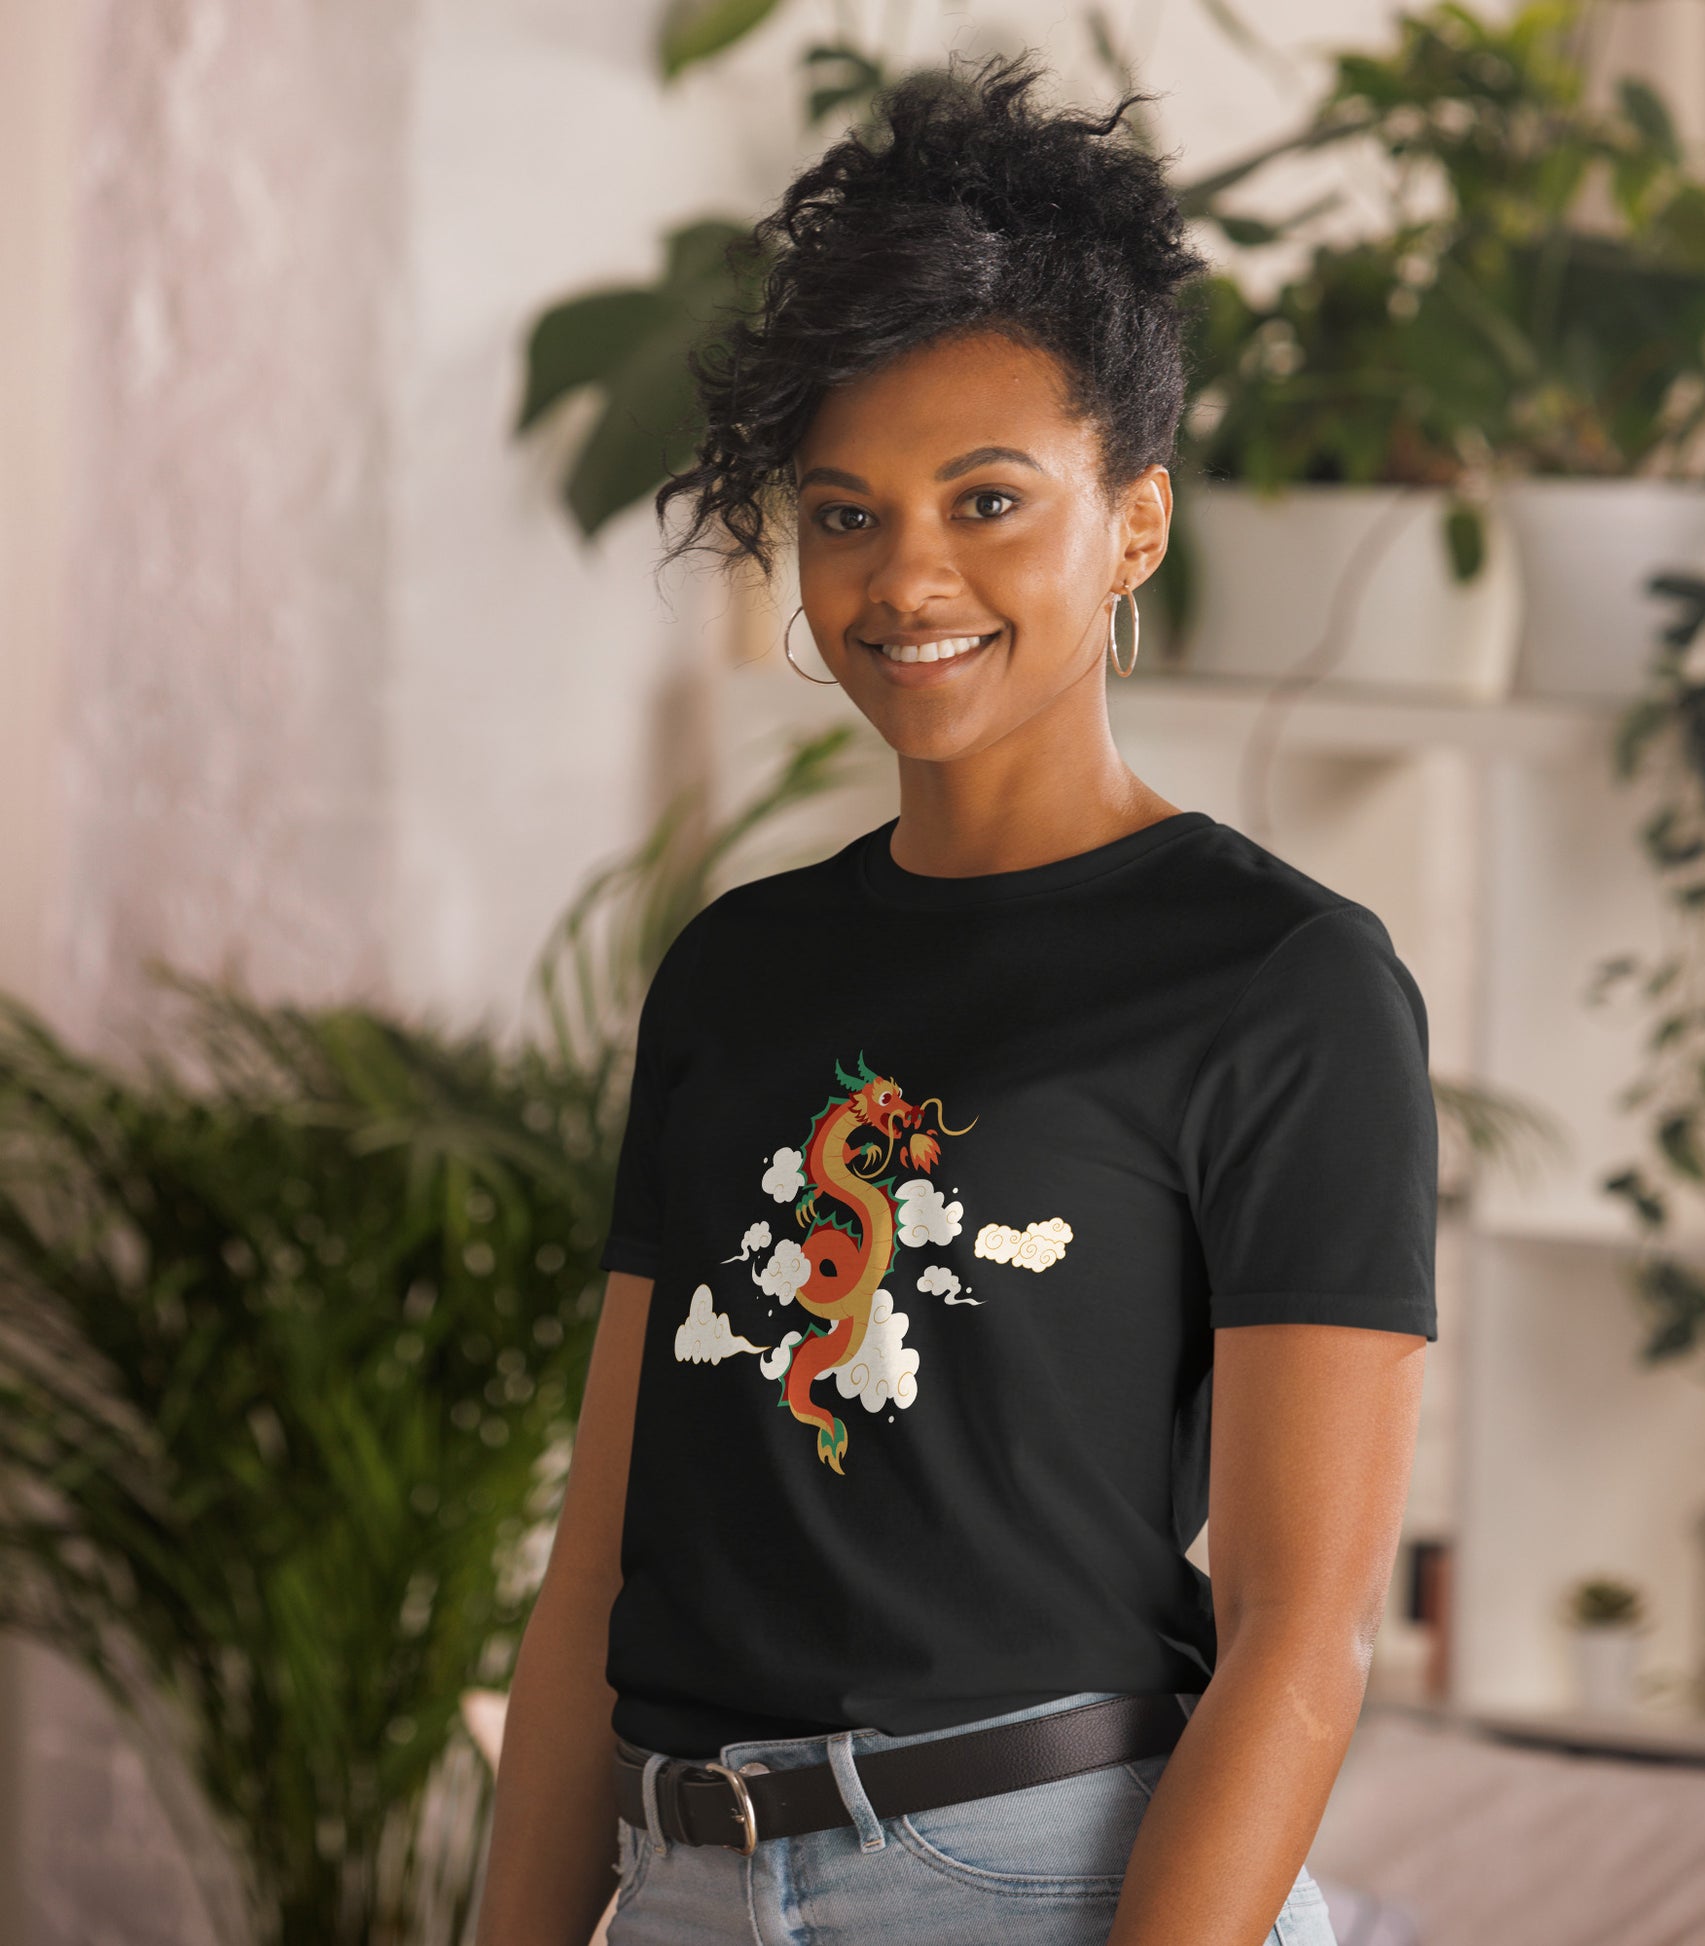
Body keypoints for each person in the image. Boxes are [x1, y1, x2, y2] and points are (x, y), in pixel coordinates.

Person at [475, 48, 1435, 1946]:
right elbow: (602, 1566)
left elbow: (1298, 1636)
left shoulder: (1281, 981)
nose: (905, 574)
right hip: (682, 1880)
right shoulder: (738, 968)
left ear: (1132, 522)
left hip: (1038, 1878)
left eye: (987, 499)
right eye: (844, 514)